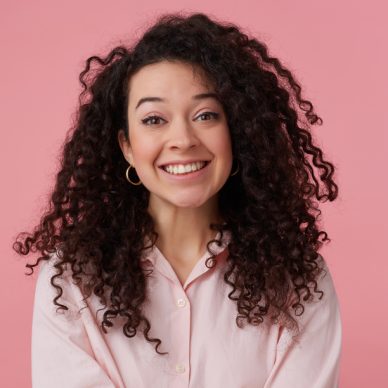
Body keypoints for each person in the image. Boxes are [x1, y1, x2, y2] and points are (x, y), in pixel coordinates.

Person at [13, 11, 342, 388]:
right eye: (154, 119)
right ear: (127, 147)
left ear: (236, 133)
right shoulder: (71, 280)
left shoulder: (300, 281)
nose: (183, 139)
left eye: (205, 115)